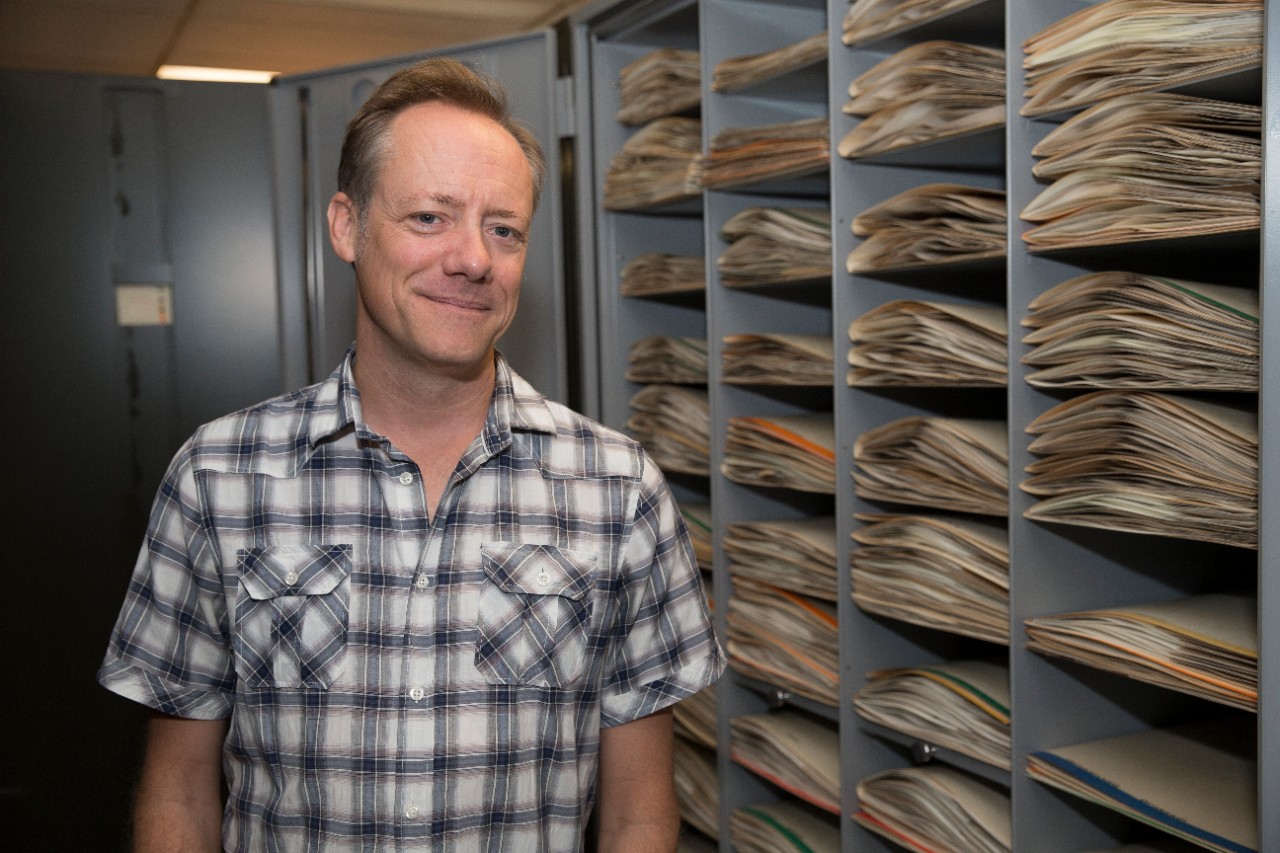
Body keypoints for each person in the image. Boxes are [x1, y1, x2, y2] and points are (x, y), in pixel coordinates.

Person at [97, 57, 723, 852]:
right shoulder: (219, 477)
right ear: (347, 226)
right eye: (430, 216)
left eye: (504, 228)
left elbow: (638, 811)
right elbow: (178, 793)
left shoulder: (618, 490)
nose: (472, 258)